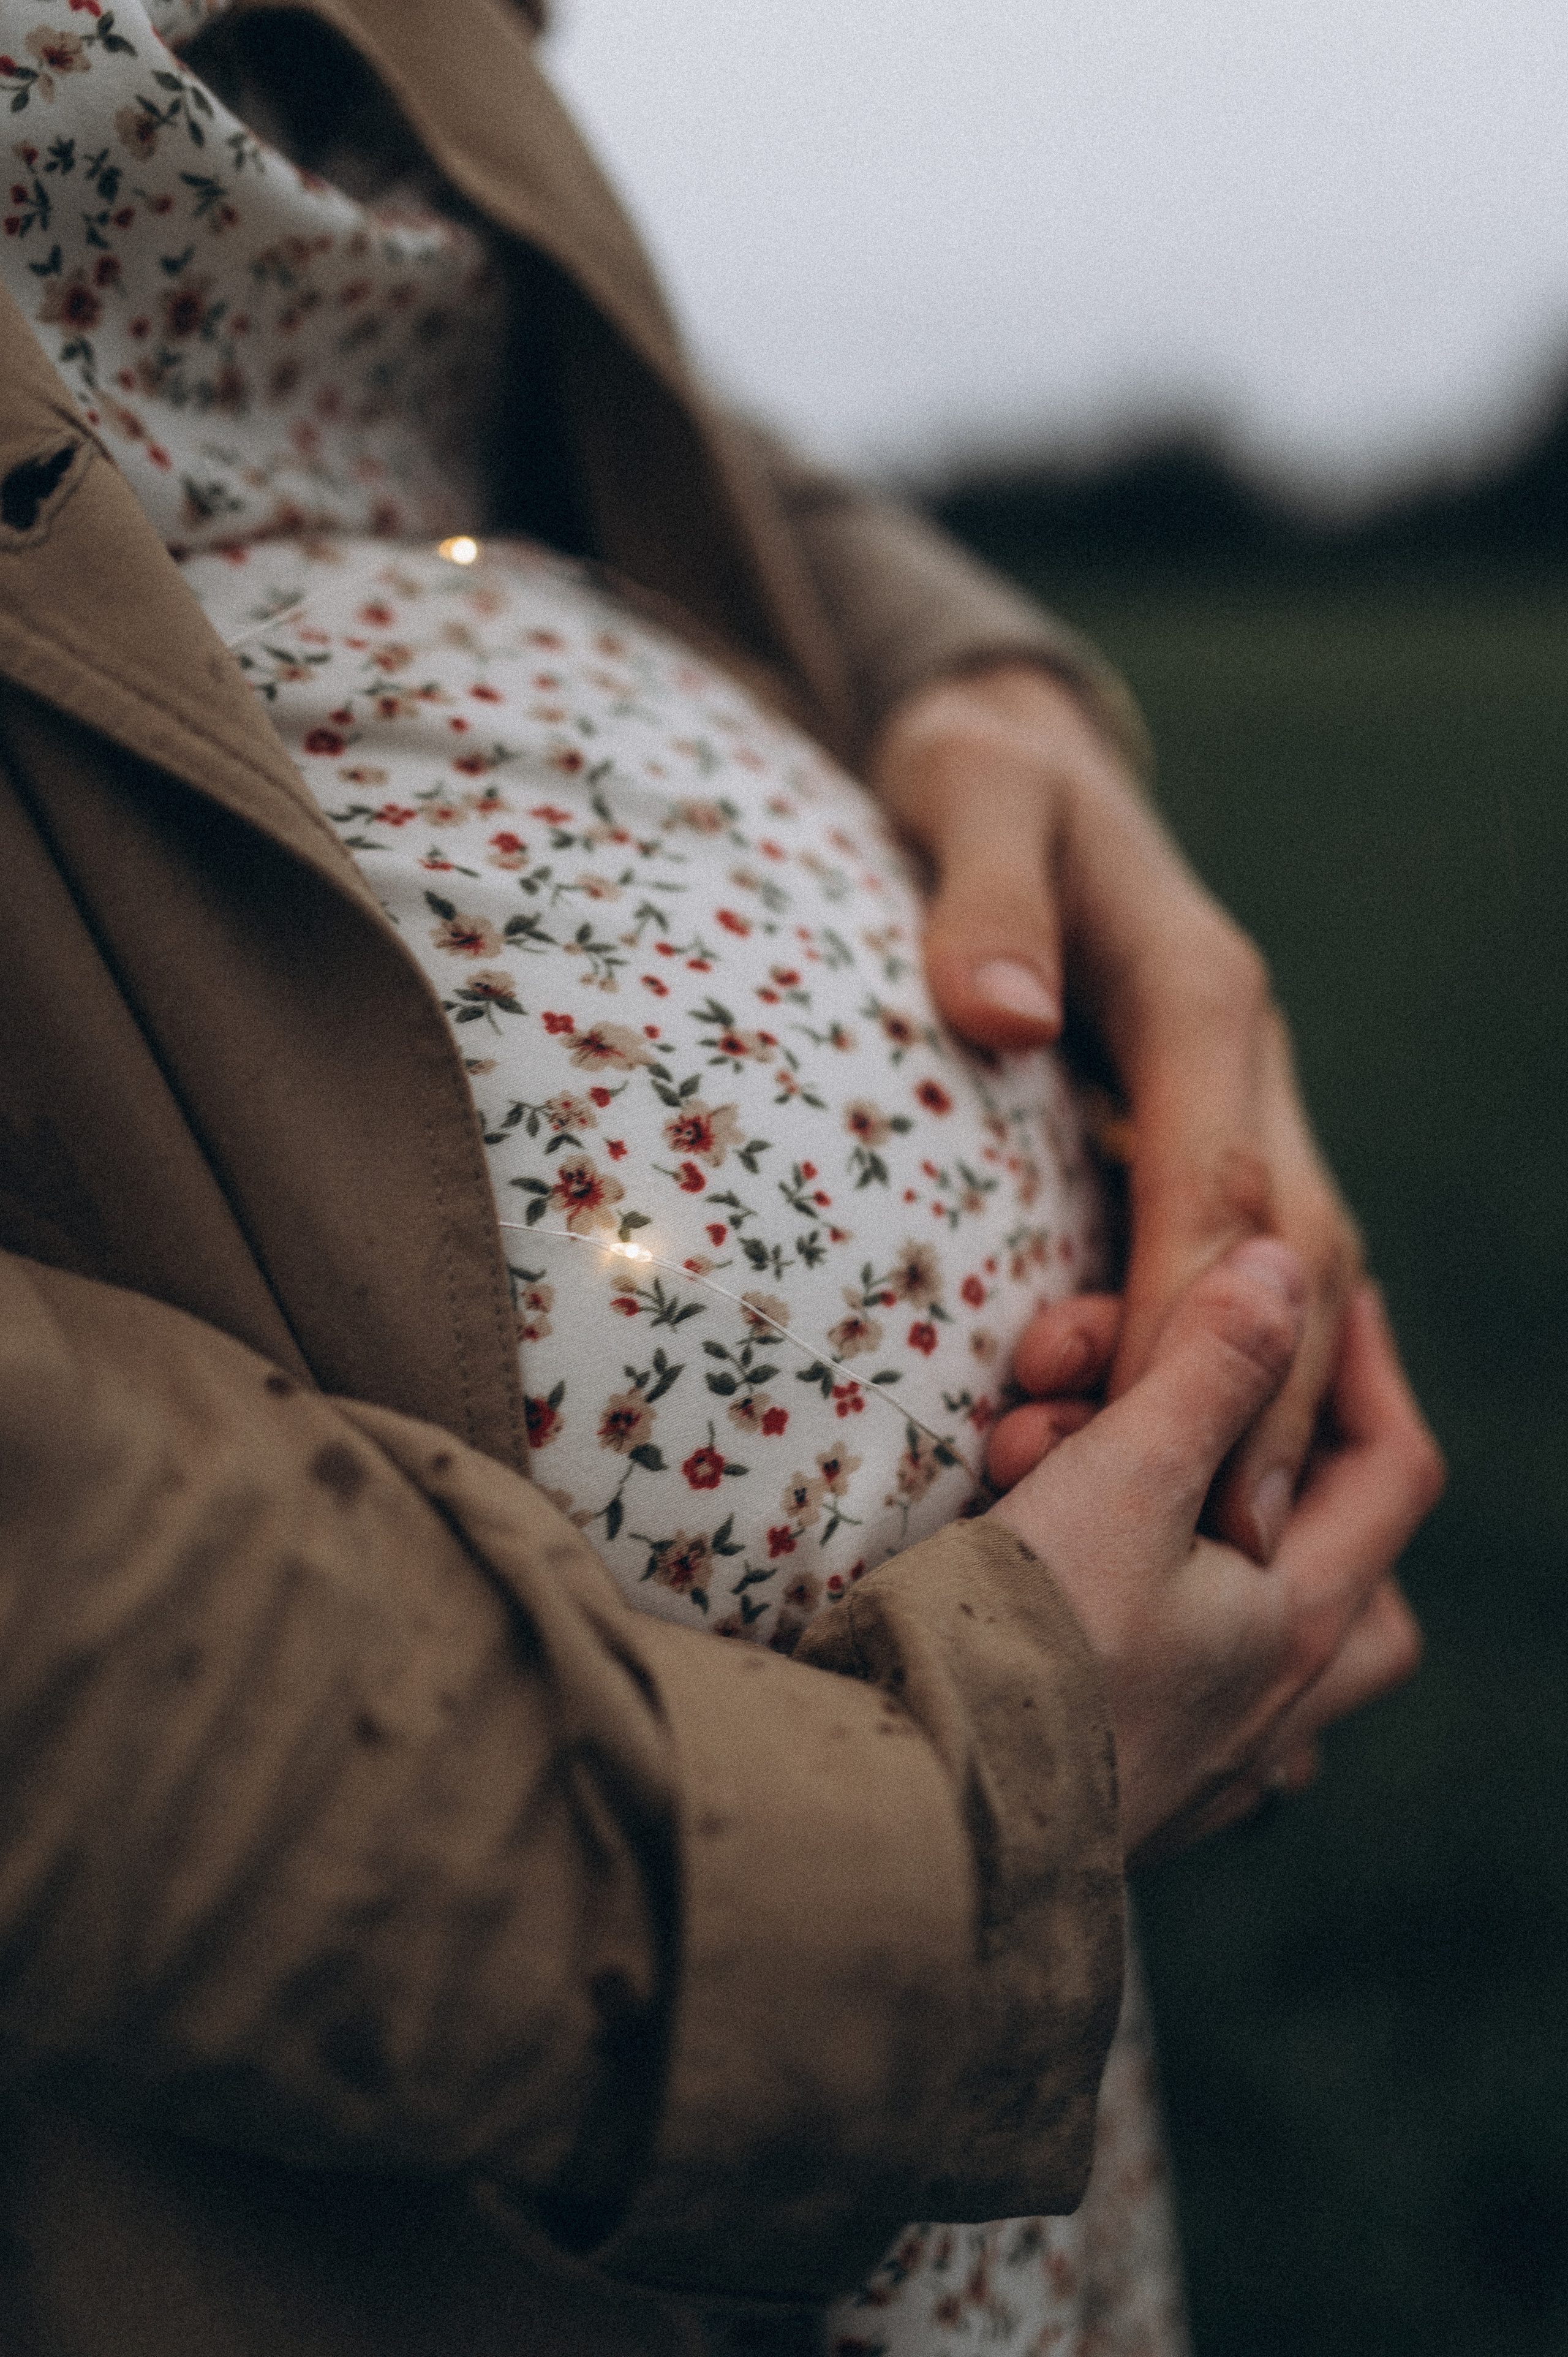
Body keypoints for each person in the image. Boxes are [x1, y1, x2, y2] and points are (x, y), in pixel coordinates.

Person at [0, 2, 1441, 2353]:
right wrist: (904, 1844)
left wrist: (970, 677)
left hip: (865, 1977)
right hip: (430, 2006)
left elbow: (420, 332)